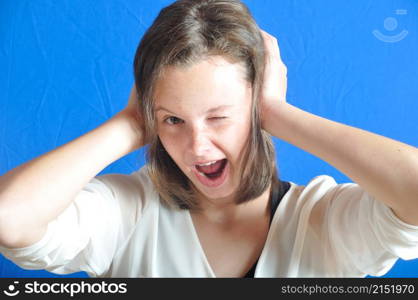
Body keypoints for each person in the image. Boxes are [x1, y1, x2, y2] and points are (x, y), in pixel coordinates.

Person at [0, 0, 417, 278]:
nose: (197, 147)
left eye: (219, 117)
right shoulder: (125, 213)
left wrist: (278, 114)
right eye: (174, 120)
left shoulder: (323, 220)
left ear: (256, 110)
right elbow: (9, 218)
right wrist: (131, 121)